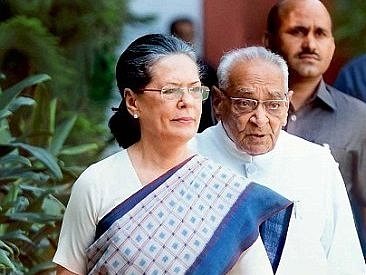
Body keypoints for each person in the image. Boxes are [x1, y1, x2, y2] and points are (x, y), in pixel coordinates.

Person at [53, 33, 292, 274]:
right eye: (171, 91)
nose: (187, 101)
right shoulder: (97, 184)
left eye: (195, 90)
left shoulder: (227, 193)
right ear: (133, 102)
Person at [189, 45, 365, 274]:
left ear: (286, 105)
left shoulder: (316, 162)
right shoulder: (188, 158)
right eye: (245, 103)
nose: (260, 119)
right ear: (218, 103)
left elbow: (345, 260)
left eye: (273, 105)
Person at [264, 0, 366, 260]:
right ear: (268, 40)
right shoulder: (241, 113)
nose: (310, 44)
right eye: (297, 31)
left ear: (331, 45)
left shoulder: (357, 118)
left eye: (320, 33)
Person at [170, 17, 218, 132]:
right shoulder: (164, 70)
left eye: (190, 34)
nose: (187, 40)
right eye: (182, 35)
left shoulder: (207, 69)